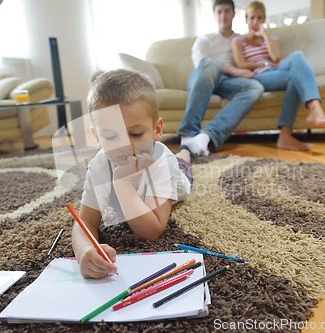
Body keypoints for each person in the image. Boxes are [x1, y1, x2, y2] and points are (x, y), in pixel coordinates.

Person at [72, 69, 193, 279]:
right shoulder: (99, 166)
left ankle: (186, 151)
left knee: (183, 165)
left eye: (135, 134)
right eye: (110, 136)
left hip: (179, 181)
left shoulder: (162, 162)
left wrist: (122, 183)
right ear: (97, 137)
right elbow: (84, 223)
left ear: (157, 130)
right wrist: (84, 250)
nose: (124, 146)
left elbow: (151, 232)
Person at [232, 1, 325, 151]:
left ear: (264, 20)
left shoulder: (272, 39)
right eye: (252, 18)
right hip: (259, 77)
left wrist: (265, 36)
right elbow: (241, 64)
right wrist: (264, 64)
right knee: (296, 73)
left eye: (260, 18)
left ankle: (286, 135)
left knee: (298, 57)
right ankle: (315, 109)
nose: (255, 22)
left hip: (278, 72)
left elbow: (276, 58)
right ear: (246, 19)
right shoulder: (238, 41)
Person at [177, 0, 264, 157]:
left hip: (227, 82)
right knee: (211, 64)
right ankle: (188, 135)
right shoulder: (205, 39)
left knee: (256, 87)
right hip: (203, 79)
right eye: (219, 12)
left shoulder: (241, 40)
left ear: (233, 14)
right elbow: (202, 64)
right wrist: (237, 71)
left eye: (226, 11)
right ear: (215, 15)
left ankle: (206, 137)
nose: (223, 15)